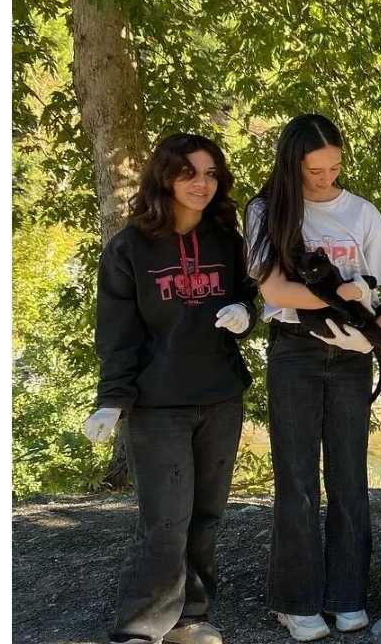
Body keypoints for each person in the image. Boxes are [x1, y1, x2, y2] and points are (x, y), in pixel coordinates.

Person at [85, 133, 258, 644]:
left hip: (221, 398)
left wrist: (247, 311)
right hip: (158, 406)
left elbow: (255, 289)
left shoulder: (228, 239)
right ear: (165, 177)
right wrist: (112, 400)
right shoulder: (129, 247)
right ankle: (140, 626)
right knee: (165, 518)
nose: (201, 184)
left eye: (209, 173)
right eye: (189, 173)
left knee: (206, 514)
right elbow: (117, 331)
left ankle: (189, 616)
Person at [246, 113, 381, 642]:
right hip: (294, 352)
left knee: (348, 476)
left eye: (335, 167)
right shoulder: (266, 211)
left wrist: (373, 333)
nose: (327, 178)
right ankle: (296, 599)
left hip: (352, 356)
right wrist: (336, 295)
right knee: (295, 479)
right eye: (315, 171)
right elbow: (275, 291)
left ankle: (347, 595)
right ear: (293, 165)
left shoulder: (361, 212)